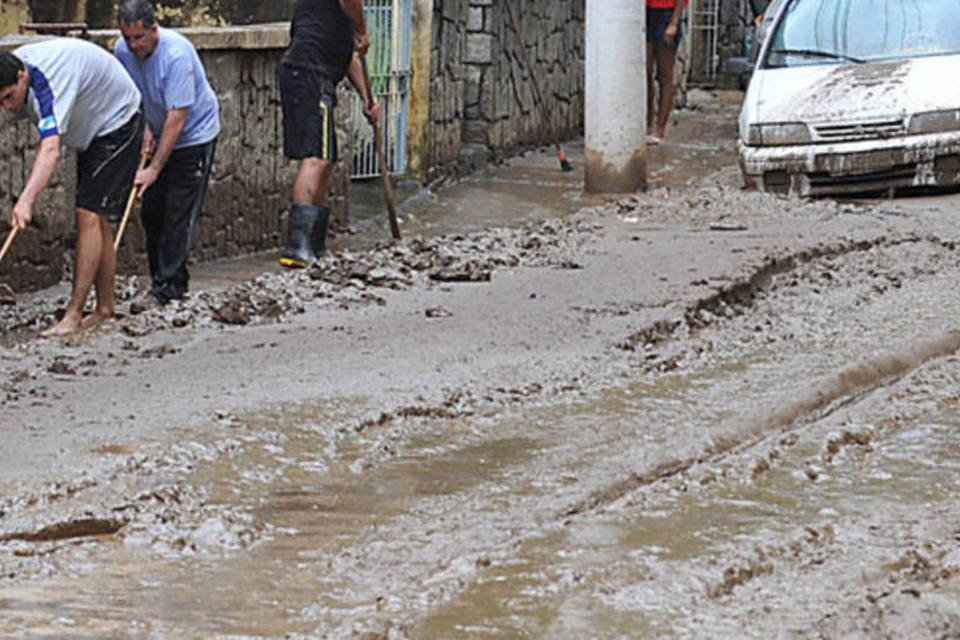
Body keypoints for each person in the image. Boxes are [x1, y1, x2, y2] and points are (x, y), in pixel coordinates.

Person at [0, 39, 143, 336]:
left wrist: (26, 200)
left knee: (87, 213)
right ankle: (105, 308)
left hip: (118, 120)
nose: (8, 107)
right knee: (96, 214)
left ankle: (74, 314)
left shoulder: (50, 81)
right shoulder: (13, 67)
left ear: (21, 77)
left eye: (9, 97)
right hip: (93, 129)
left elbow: (50, 150)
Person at [115, 0, 220, 311]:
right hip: (158, 129)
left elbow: (178, 118)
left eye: (139, 38)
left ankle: (167, 289)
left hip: (193, 136)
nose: (133, 45)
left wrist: (155, 168)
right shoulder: (122, 52)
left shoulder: (176, 55)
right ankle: (164, 278)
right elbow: (131, 96)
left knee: (178, 211)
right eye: (128, 38)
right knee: (152, 212)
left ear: (153, 30)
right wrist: (143, 129)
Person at [278, 0, 381, 268]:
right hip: (309, 72)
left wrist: (368, 99)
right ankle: (298, 246)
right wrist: (362, 30)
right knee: (316, 156)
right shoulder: (341, 9)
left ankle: (314, 243)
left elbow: (346, 57)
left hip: (313, 72)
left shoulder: (329, 19)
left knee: (327, 157)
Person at [646, 0, 688, 145]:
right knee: (646, 72)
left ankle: (660, 129)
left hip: (667, 13)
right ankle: (648, 125)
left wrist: (673, 22)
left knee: (665, 74)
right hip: (647, 12)